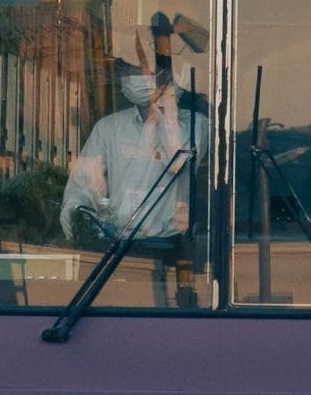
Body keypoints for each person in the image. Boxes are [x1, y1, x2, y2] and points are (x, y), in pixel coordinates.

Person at [59, 16, 210, 285]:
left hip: (174, 252)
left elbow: (179, 160)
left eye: (145, 69)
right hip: (117, 251)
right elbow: (82, 187)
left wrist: (166, 107)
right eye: (128, 69)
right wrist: (81, 220)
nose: (135, 76)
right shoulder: (108, 128)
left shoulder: (196, 125)